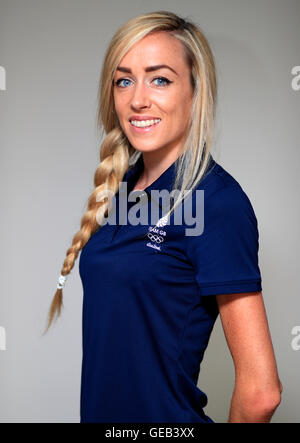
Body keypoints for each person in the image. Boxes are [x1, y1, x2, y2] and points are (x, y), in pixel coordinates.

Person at [44, 10, 283, 423]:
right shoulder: (122, 191)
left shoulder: (216, 202)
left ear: (194, 90)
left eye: (160, 79)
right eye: (124, 80)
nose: (138, 98)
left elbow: (262, 392)